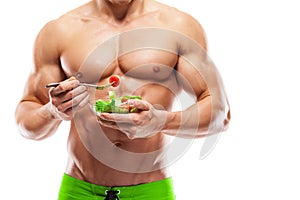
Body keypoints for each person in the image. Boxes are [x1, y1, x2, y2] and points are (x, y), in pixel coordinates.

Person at [15, 0, 231, 199]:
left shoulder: (179, 26)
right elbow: (27, 122)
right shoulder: (59, 31)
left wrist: (161, 121)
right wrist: (53, 111)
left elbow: (220, 114)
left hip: (150, 190)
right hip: (78, 190)